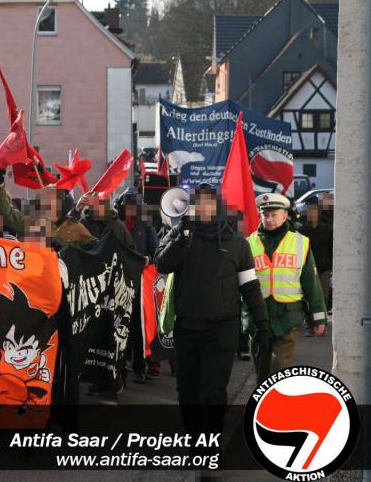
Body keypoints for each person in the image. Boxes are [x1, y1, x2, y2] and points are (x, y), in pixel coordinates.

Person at [155, 183, 269, 437]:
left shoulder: (237, 243)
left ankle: (210, 446)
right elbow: (163, 264)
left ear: (217, 205)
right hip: (187, 329)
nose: (203, 207)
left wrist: (262, 324)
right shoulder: (179, 234)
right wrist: (182, 236)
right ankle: (196, 438)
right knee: (187, 393)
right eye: (198, 202)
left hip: (221, 330)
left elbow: (250, 287)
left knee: (212, 394)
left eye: (209, 202)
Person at [245, 193, 327, 382]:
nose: (270, 219)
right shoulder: (248, 244)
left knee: (279, 369)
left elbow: (311, 282)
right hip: (258, 318)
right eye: (266, 215)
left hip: (288, 317)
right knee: (262, 374)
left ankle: (275, 408)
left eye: (274, 214)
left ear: (285, 216)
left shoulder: (300, 242)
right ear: (260, 216)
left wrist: (318, 318)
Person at [115, 188, 157, 384]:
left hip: (140, 284)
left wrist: (149, 258)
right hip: (120, 282)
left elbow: (155, 251)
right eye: (128, 205)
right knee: (121, 327)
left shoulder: (145, 223)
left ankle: (139, 367)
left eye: (134, 205)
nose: (131, 209)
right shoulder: (117, 224)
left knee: (139, 327)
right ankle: (119, 369)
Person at [298, 196, 333, 324]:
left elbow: (331, 248)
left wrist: (332, 267)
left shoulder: (327, 229)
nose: (312, 214)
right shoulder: (302, 231)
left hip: (323, 268)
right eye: (309, 211)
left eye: (314, 211)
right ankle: (310, 324)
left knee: (323, 296)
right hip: (307, 269)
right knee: (308, 296)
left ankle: (321, 323)